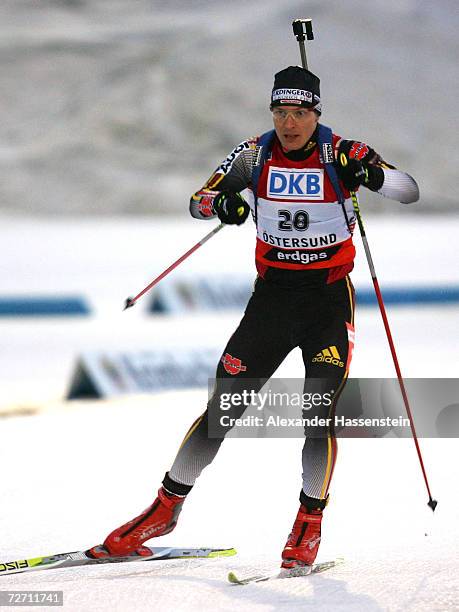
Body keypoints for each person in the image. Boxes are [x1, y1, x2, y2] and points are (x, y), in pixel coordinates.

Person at [88, 66, 419, 568]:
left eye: (300, 113)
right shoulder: (254, 153)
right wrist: (222, 203)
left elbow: (408, 189)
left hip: (328, 303)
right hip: (271, 301)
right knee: (224, 409)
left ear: (316, 114)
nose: (290, 124)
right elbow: (198, 202)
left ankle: (309, 522)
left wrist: (373, 176)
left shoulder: (344, 153)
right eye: (281, 113)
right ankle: (164, 509)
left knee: (318, 416)